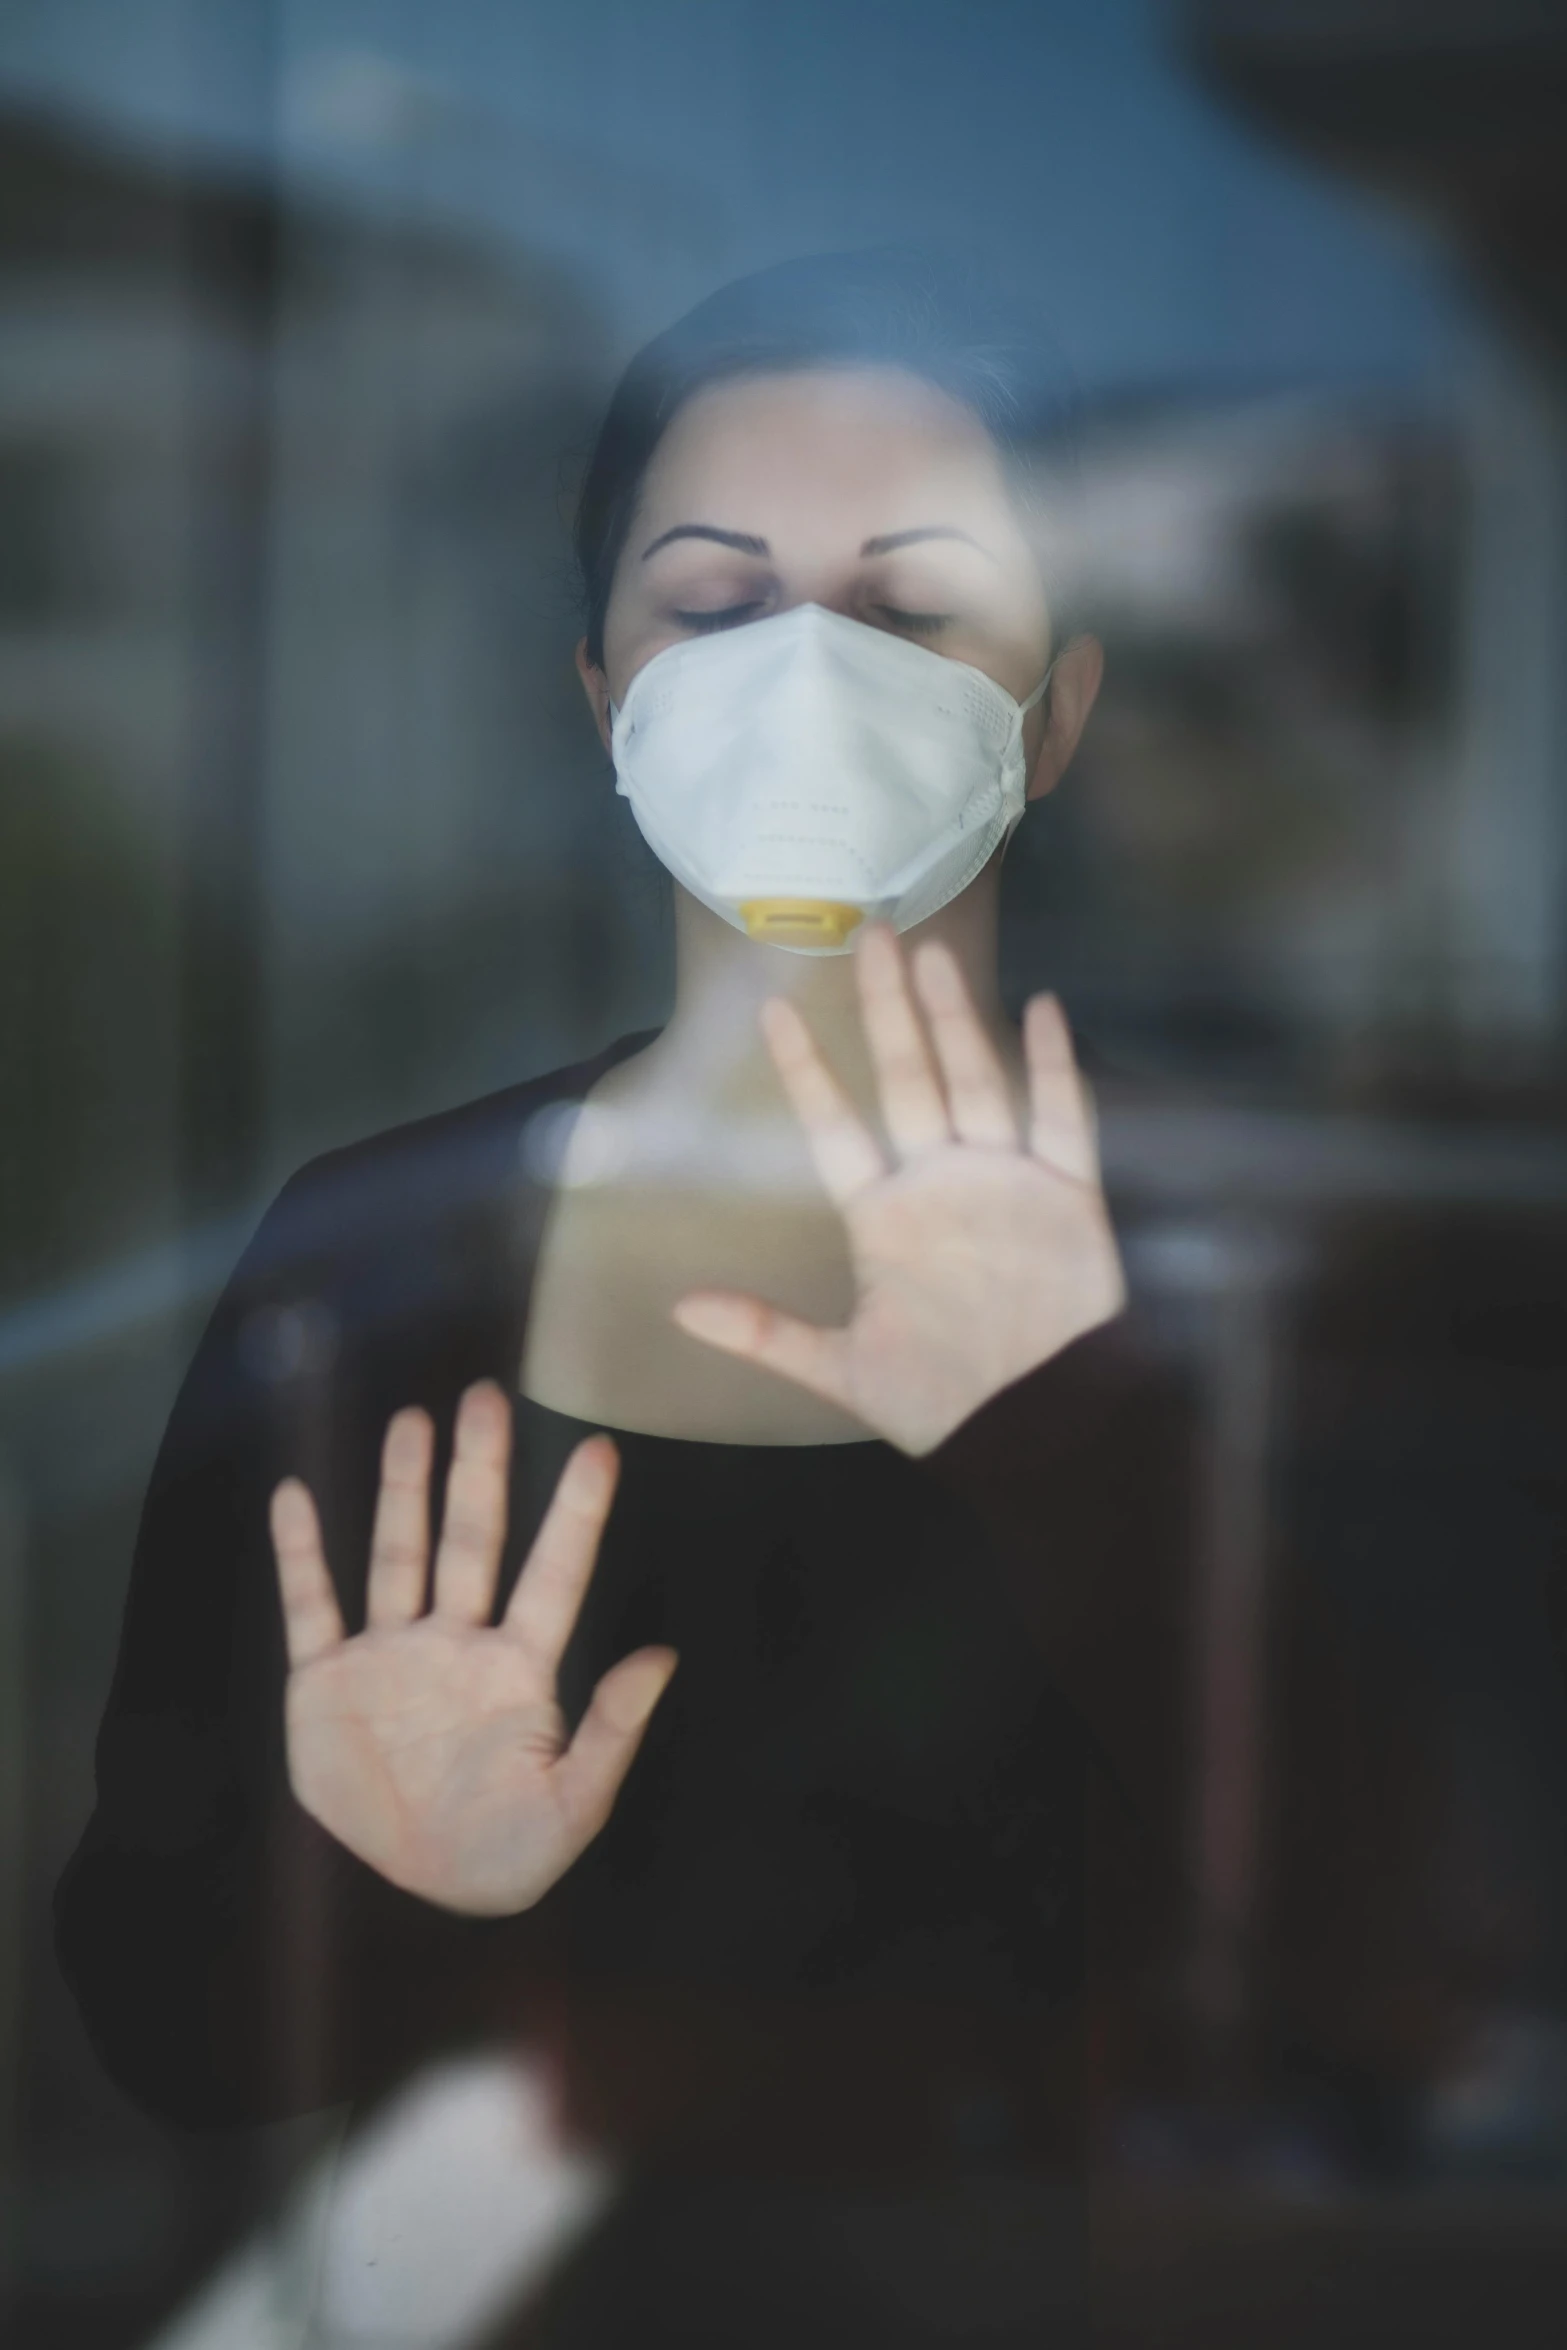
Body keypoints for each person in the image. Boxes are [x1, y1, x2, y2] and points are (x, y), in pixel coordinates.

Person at [55, 251, 1195, 2346]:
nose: (810, 670)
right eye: (717, 598)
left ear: (1059, 713)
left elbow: (1410, 2009)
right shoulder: (369, 1267)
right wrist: (373, 1875)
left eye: (915, 601)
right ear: (606, 693)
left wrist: (1068, 1449)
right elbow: (157, 2024)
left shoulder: (1234, 1271)